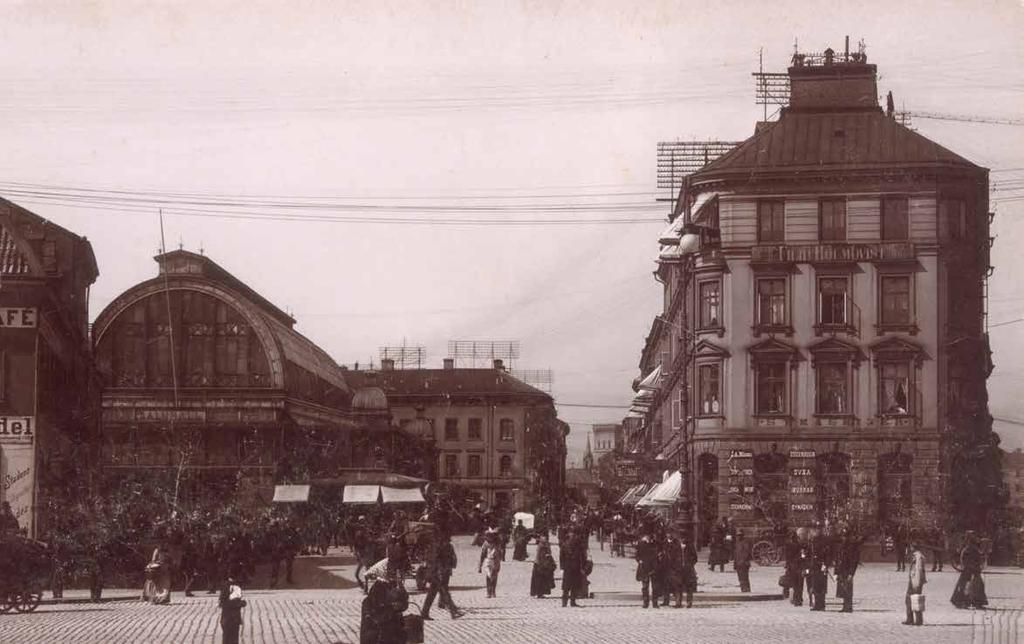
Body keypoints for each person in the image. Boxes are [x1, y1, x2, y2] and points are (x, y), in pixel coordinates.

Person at [360, 564, 409, 644]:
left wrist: (401, 590)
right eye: (392, 572)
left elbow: (404, 603)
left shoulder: (394, 585)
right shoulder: (378, 588)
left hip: (393, 629)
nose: (397, 575)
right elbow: (378, 611)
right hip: (380, 632)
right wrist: (393, 607)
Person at [421, 533, 463, 620]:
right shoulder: (438, 547)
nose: (448, 541)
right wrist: (440, 572)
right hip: (438, 573)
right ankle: (453, 612)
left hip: (438, 573)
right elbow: (436, 561)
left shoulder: (439, 546)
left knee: (432, 594)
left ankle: (424, 613)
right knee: (443, 591)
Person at [951, 532, 988, 609]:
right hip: (970, 570)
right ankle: (964, 602)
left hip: (971, 569)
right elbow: (967, 560)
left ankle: (974, 602)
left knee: (971, 585)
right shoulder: (969, 548)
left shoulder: (970, 548)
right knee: (967, 586)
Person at [833, 529, 862, 613]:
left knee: (848, 588)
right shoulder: (842, 546)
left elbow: (854, 561)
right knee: (843, 588)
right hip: (842, 570)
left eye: (845, 536)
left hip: (848, 570)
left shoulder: (852, 547)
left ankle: (848, 606)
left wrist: (851, 573)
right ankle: (845, 606)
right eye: (843, 536)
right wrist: (837, 571)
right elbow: (839, 559)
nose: (843, 538)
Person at [560, 531, 586, 607]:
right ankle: (569, 602)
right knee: (570, 586)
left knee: (569, 586)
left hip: (571, 567)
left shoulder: (565, 545)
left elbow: (561, 557)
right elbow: (562, 557)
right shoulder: (576, 545)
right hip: (572, 567)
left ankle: (567, 602)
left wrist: (562, 567)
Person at [904, 539, 927, 626]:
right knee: (910, 599)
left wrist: (917, 583)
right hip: (913, 579)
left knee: (915, 599)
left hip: (915, 581)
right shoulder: (916, 555)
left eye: (911, 547)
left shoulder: (918, 557)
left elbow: (919, 570)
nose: (910, 548)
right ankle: (911, 619)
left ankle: (917, 620)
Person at [218, 575, 247, 644]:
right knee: (229, 637)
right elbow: (224, 603)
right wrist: (241, 603)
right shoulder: (227, 587)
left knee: (232, 637)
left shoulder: (232, 587)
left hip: (232, 619)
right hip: (229, 619)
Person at [635, 529, 660, 609]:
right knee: (645, 586)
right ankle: (645, 602)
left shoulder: (655, 543)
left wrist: (657, 562)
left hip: (654, 567)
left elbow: (658, 554)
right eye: (647, 535)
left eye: (649, 535)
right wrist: (640, 561)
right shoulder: (641, 543)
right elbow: (637, 555)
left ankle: (655, 602)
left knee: (655, 586)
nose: (648, 537)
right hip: (644, 567)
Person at [478, 528, 502, 598]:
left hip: (496, 561)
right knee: (489, 576)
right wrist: (480, 565)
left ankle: (493, 591)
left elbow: (500, 552)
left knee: (494, 576)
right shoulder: (486, 544)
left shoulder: (497, 542)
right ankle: (489, 592)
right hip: (488, 561)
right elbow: (482, 554)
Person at [733, 529, 752, 593]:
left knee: (745, 577)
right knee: (740, 578)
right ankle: (743, 589)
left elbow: (746, 552)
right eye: (737, 535)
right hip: (738, 563)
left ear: (742, 535)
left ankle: (746, 589)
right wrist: (735, 564)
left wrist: (742, 561)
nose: (738, 536)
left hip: (744, 563)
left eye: (740, 535)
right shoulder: (737, 543)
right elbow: (736, 554)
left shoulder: (745, 542)